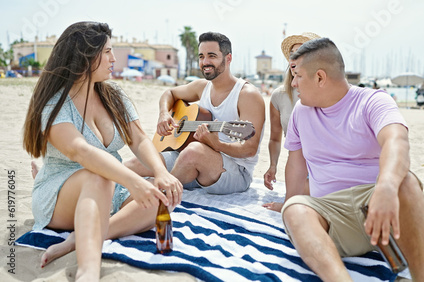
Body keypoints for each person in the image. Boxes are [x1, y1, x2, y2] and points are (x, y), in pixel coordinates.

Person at [22, 22, 182, 280]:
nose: (114, 58)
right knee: (99, 176)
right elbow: (81, 153)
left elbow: (139, 140)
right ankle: (88, 271)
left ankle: (77, 238)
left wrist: (160, 172)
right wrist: (132, 181)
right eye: (107, 51)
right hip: (62, 194)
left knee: (159, 198)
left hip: (110, 186)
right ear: (84, 56)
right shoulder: (56, 103)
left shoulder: (113, 95)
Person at [281, 38, 424, 281]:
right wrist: (289, 200)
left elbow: (397, 141)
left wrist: (386, 187)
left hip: (381, 204)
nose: (293, 83)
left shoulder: (373, 101)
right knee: (295, 210)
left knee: (405, 182)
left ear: (320, 77)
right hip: (332, 215)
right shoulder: (301, 111)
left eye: (297, 75)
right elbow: (296, 163)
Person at [125, 32, 265, 195]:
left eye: (212, 56)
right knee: (139, 162)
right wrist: (164, 114)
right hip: (192, 159)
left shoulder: (247, 95)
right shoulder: (201, 86)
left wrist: (217, 145)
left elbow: (250, 149)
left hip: (235, 171)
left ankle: (161, 193)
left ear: (228, 58)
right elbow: (169, 93)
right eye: (201, 56)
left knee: (193, 151)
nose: (205, 62)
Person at [262, 32, 320, 212]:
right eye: (293, 53)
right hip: (296, 165)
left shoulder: (323, 91)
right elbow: (275, 138)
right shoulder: (279, 96)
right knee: (299, 202)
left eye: (302, 51)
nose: (296, 56)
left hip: (322, 163)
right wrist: (272, 165)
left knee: (303, 203)